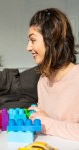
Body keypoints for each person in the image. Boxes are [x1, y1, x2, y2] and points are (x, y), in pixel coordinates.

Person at [27, 8, 79, 141]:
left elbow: (48, 124)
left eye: (33, 40)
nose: (28, 47)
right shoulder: (43, 81)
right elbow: (46, 121)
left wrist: (47, 123)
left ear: (51, 40)